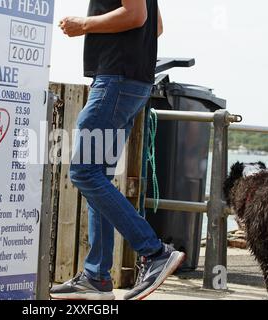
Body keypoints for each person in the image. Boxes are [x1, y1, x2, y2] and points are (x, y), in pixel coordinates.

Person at [49, 0, 186, 300]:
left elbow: (135, 15)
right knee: (97, 176)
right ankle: (96, 276)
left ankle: (154, 251)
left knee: (83, 172)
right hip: (130, 82)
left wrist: (83, 24)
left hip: (116, 80)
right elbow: (156, 26)